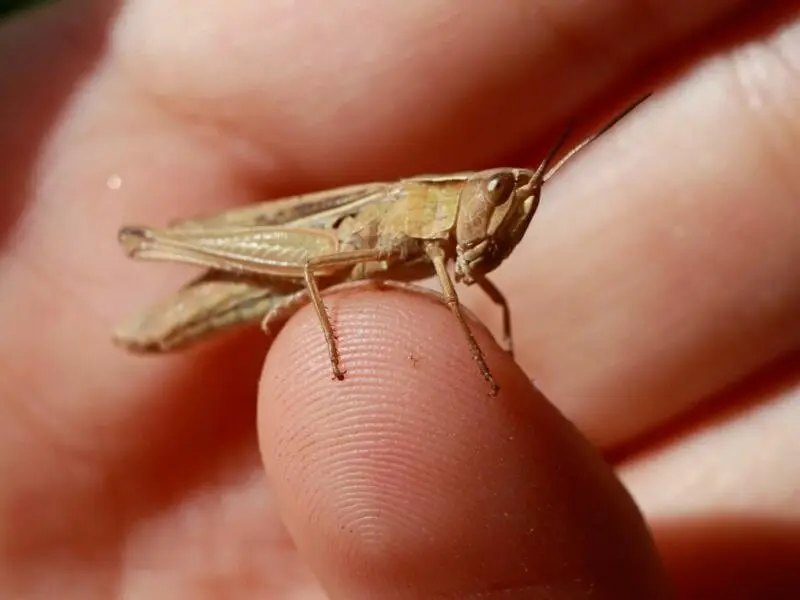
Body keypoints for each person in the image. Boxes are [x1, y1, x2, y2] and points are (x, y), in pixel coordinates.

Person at [1, 1, 797, 598]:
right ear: (460, 192)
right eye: (501, 191)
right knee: (309, 272)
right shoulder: (414, 211)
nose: (513, 205)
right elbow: (329, 262)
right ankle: (168, 253)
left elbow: (483, 290)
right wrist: (338, 347)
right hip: (283, 253)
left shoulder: (455, 247)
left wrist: (501, 345)